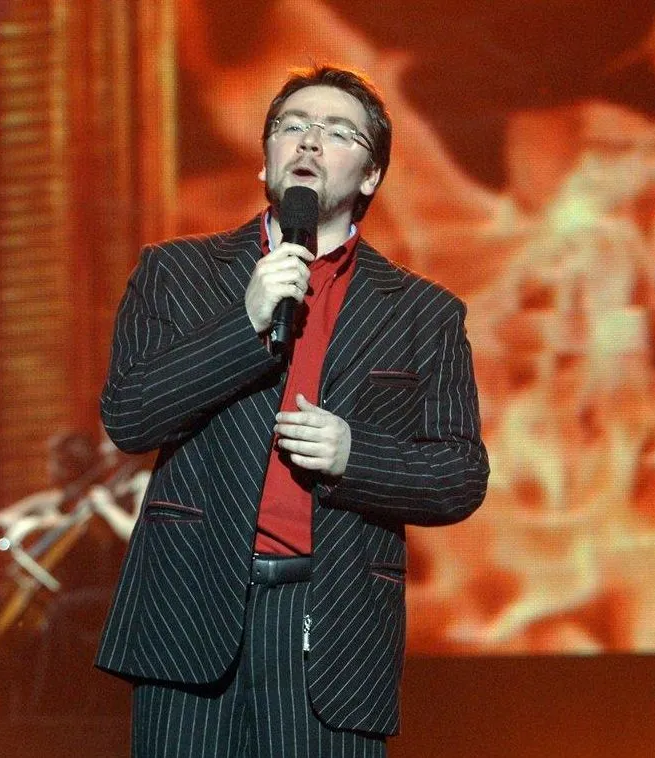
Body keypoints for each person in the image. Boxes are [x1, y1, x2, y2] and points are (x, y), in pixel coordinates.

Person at [95, 65, 489, 756]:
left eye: (337, 132)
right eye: (291, 126)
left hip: (331, 628)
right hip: (188, 609)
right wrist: (241, 325)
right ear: (265, 159)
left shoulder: (423, 313)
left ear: (370, 176)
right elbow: (129, 417)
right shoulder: (175, 274)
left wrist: (354, 455)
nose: (308, 141)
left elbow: (459, 476)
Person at [0, 431, 146, 715]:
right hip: (103, 587)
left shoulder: (142, 481)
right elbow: (65, 513)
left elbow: (136, 534)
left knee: (61, 610)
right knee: (57, 610)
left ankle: (59, 705)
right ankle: (39, 705)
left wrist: (105, 508)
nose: (104, 448)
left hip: (127, 587)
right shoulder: (113, 484)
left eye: (108, 441)